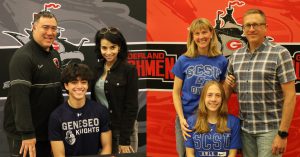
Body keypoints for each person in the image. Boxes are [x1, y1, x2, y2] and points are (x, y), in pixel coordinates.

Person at [224, 9, 296, 157]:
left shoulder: (280, 53)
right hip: (245, 130)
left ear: (265, 28)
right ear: (243, 29)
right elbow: (225, 94)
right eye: (248, 25)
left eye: (256, 25)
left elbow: (290, 96)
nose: (252, 29)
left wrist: (282, 134)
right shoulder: (236, 56)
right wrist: (226, 85)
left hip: (270, 130)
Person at [3, 11, 63, 157]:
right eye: (45, 27)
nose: (50, 32)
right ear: (34, 27)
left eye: (54, 28)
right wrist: (27, 133)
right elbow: (20, 98)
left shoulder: (55, 55)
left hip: (47, 132)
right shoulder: (23, 57)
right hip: (25, 136)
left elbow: (56, 93)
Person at [172, 18, 228, 157]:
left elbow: (223, 93)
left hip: (212, 119)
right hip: (186, 119)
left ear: (211, 33)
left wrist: (229, 84)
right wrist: (181, 119)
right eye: (196, 33)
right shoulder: (183, 60)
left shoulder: (221, 60)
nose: (201, 37)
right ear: (192, 36)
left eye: (204, 32)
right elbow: (176, 92)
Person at [91, 27, 139, 154]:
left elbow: (132, 107)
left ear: (119, 47)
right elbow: (94, 102)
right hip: (103, 130)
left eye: (113, 47)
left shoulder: (129, 70)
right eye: (104, 48)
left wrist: (124, 140)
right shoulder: (95, 69)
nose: (108, 52)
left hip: (124, 131)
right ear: (99, 48)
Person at [48, 63, 112, 156]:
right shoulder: (56, 116)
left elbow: (107, 147)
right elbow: (59, 155)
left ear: (87, 85)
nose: (79, 86)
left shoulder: (100, 111)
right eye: (74, 82)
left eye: (83, 82)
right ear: (66, 86)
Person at [185, 81, 241, 157]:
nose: (213, 99)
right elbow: (190, 154)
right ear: (203, 98)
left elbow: (232, 154)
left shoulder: (234, 122)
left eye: (218, 95)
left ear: (222, 99)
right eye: (209, 95)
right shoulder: (191, 121)